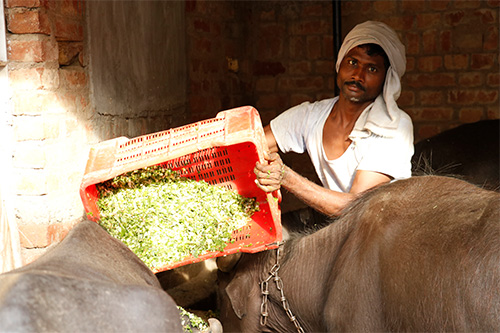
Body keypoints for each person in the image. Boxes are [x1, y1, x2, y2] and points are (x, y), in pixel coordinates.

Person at [254, 20, 414, 221]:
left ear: (386, 78)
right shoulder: (312, 115)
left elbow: (355, 208)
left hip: (380, 233)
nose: (358, 75)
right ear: (340, 64)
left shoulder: (394, 126)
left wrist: (286, 177)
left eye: (372, 69)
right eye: (353, 62)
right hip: (339, 229)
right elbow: (251, 144)